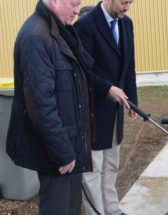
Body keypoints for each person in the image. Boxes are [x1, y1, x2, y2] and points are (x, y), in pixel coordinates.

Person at [6, 0, 95, 214]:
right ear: (54, 1)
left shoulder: (61, 31)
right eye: (74, 4)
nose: (77, 10)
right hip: (58, 152)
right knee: (58, 209)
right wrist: (63, 153)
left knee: (71, 208)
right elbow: (40, 104)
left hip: (70, 145)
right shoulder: (36, 37)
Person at [74, 0, 138, 214]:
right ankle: (97, 212)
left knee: (111, 164)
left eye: (130, 2)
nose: (127, 7)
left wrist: (133, 103)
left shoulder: (127, 24)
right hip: (93, 111)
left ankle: (112, 209)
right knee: (94, 168)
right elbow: (82, 70)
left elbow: (129, 67)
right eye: (124, 2)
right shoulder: (85, 25)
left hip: (115, 112)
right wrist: (107, 88)